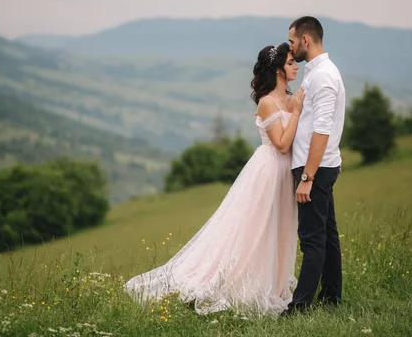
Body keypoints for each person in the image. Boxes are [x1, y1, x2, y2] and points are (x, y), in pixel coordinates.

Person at [124, 43, 304, 317]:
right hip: (268, 171)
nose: (296, 66)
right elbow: (280, 143)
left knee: (282, 229)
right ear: (279, 69)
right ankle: (247, 285)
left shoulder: (291, 98)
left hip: (286, 173)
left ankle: (277, 286)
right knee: (258, 229)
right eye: (291, 62)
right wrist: (298, 112)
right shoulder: (268, 102)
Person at [283, 16, 346, 316]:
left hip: (314, 168)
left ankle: (299, 307)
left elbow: (322, 130)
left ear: (306, 40)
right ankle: (331, 298)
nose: (291, 46)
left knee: (312, 239)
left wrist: (307, 176)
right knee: (327, 235)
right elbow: (326, 126)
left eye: (293, 41)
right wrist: (333, 158)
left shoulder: (322, 77)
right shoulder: (319, 72)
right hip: (322, 164)